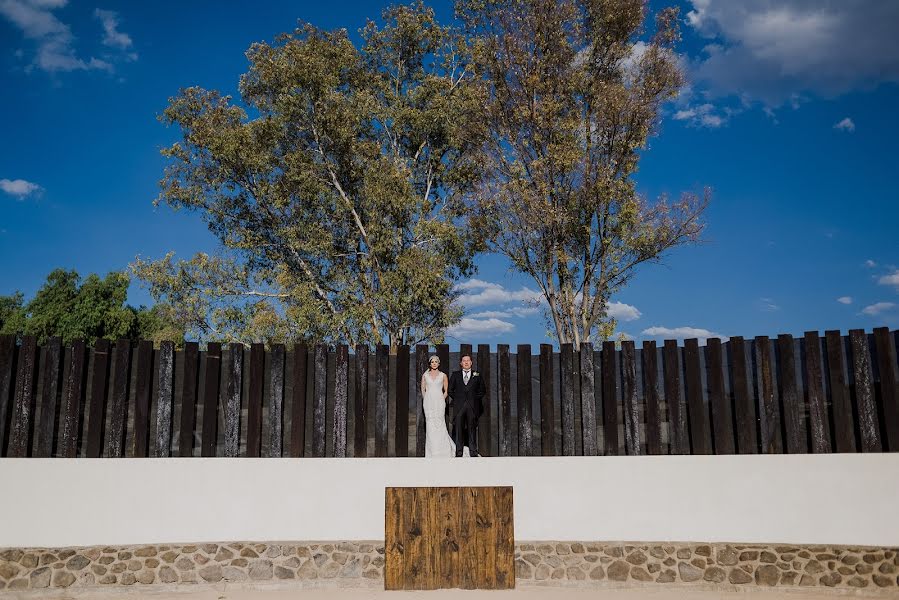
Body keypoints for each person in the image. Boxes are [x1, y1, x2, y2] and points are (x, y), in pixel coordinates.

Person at [421, 355, 469, 458]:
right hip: (428, 403)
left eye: (436, 362)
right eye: (432, 362)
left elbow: (447, 391)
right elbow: (423, 390)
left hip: (439, 401)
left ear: (438, 363)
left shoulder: (443, 375)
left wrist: (441, 399)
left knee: (440, 425)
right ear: (430, 363)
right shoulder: (425, 375)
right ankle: (432, 452)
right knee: (430, 426)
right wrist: (427, 400)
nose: (434, 363)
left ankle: (443, 451)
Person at [447, 354, 486, 457]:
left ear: (471, 362)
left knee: (472, 429)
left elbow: (482, 390)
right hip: (459, 407)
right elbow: (450, 390)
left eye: (468, 360)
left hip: (472, 406)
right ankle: (458, 453)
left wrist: (475, 399)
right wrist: (458, 399)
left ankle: (473, 452)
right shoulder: (455, 374)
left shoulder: (477, 374)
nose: (466, 362)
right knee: (459, 430)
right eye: (464, 360)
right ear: (461, 363)